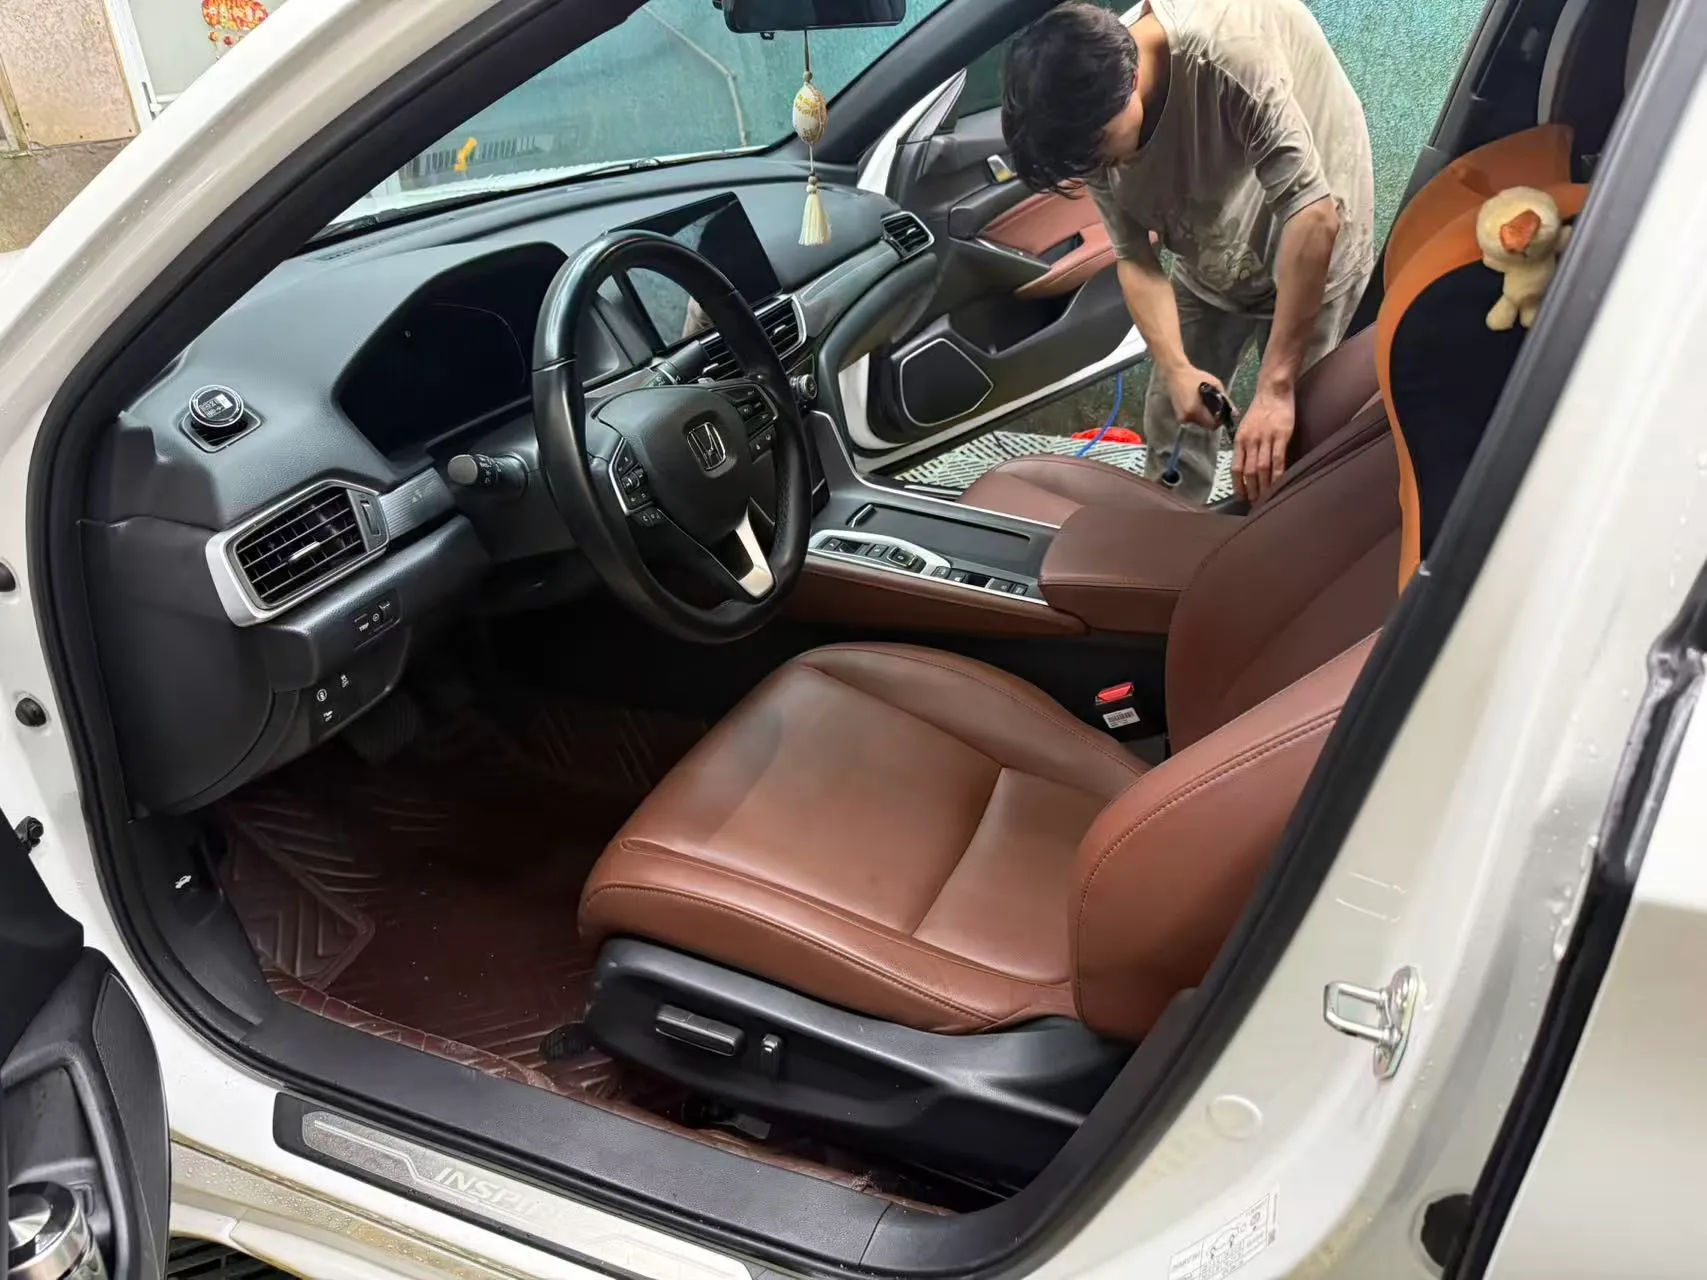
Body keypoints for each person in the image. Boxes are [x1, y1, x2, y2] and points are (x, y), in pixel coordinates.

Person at [1002, 0, 1374, 504]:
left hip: (1312, 221)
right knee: (1172, 413)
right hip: (1213, 240)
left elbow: (1313, 215)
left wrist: (1276, 388)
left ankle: (1278, 532)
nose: (1099, 169)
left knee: (1293, 441)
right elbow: (1134, 258)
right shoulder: (1085, 112)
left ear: (1131, 83)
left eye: (1099, 150)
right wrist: (1178, 368)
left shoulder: (1229, 57)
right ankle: (1175, 532)